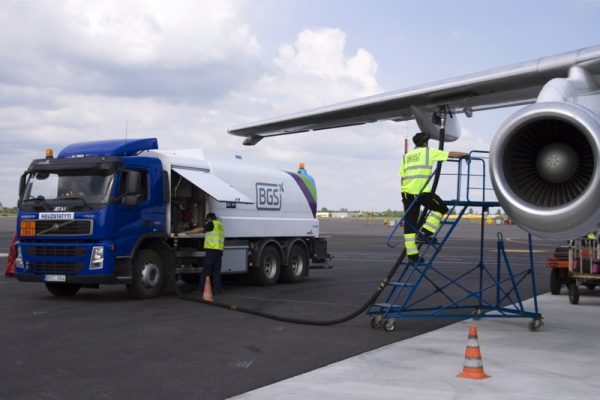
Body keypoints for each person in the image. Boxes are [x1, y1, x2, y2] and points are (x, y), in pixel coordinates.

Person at [399, 132, 468, 264]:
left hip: (406, 193)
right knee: (441, 208)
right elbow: (451, 154)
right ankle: (425, 232)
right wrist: (465, 154)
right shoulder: (427, 152)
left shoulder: (406, 157)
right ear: (425, 143)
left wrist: (405, 193)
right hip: (421, 192)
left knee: (409, 226)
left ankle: (412, 257)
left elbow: (402, 178)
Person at [183, 213, 225, 295]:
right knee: (216, 272)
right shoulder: (220, 225)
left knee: (206, 270)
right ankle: (217, 290)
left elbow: (200, 229)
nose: (207, 221)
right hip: (219, 251)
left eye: (207, 220)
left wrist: (187, 232)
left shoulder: (211, 224)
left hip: (212, 250)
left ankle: (200, 289)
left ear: (209, 218)